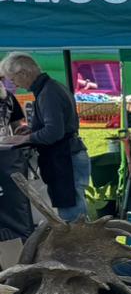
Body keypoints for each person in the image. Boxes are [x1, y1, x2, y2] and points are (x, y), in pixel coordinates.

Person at [0, 52, 91, 221]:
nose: (15, 84)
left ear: (24, 73)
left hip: (66, 157)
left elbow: (53, 132)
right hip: (65, 155)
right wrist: (32, 131)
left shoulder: (49, 92)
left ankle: (80, 246)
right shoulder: (49, 88)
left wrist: (25, 139)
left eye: (13, 79)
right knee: (72, 211)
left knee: (73, 215)